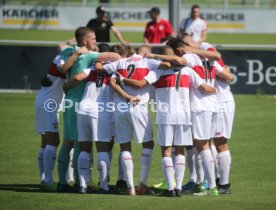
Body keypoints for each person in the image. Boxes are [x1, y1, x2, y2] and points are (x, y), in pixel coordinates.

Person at [144, 38, 232, 196]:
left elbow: (177, 61)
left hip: (198, 106)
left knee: (200, 146)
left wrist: (153, 56)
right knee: (203, 144)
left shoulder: (189, 59)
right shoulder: (206, 57)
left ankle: (209, 186)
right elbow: (221, 74)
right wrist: (216, 89)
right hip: (210, 106)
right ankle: (202, 182)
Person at [119, 56, 217, 197]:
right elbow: (204, 87)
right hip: (184, 116)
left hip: (165, 116)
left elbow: (140, 84)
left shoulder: (158, 72)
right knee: (180, 151)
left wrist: (122, 79)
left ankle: (170, 188)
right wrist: (215, 90)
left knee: (166, 151)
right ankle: (178, 187)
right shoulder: (188, 70)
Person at [95, 45, 171, 196]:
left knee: (125, 146)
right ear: (144, 52)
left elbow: (102, 71)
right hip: (138, 106)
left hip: (120, 107)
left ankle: (130, 188)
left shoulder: (121, 62)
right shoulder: (147, 62)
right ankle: (141, 185)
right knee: (148, 144)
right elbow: (167, 65)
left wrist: (124, 94)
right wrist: (156, 57)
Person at [57, 27, 121, 192]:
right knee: (80, 144)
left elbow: (61, 51)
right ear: (85, 41)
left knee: (67, 142)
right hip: (80, 102)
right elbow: (115, 56)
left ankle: (63, 182)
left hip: (70, 100)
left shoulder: (68, 52)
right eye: (93, 39)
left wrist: (65, 84)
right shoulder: (89, 55)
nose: (96, 42)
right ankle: (81, 183)